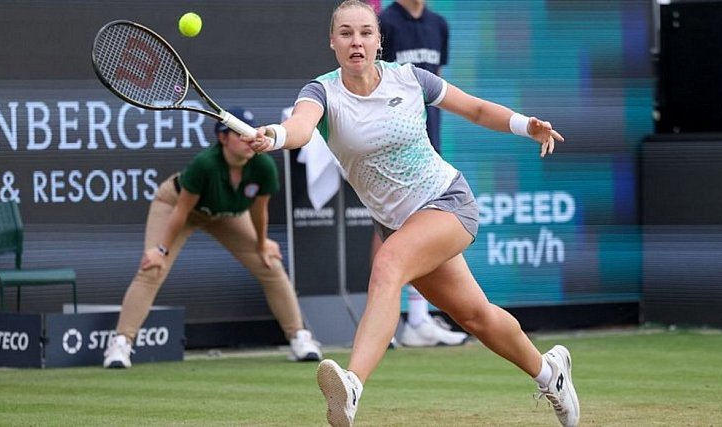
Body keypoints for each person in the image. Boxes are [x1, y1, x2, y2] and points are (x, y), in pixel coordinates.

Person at [245, 2, 579, 426]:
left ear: (379, 40)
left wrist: (524, 125)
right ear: (332, 41)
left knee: (388, 264)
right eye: (345, 33)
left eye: (365, 33)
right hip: (401, 224)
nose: (356, 42)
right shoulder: (321, 92)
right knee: (476, 316)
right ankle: (551, 374)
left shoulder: (409, 77)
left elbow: (474, 108)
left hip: (447, 202)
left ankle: (352, 385)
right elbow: (301, 129)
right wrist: (273, 136)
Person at [103, 108, 323, 369]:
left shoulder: (263, 164)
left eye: (251, 132)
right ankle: (120, 345)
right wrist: (160, 250)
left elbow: (259, 210)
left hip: (225, 213)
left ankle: (299, 337)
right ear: (223, 138)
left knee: (270, 264)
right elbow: (182, 211)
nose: (249, 138)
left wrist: (262, 244)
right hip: (176, 207)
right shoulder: (205, 164)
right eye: (240, 134)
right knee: (152, 267)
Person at [378, 0, 469, 348]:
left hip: (428, 143)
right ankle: (383, 321)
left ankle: (417, 318)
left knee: (423, 229)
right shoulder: (384, 21)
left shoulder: (439, 25)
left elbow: (436, 86)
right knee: (389, 230)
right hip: (388, 147)